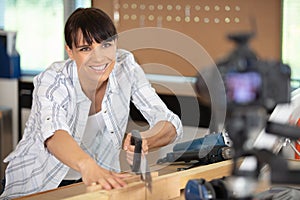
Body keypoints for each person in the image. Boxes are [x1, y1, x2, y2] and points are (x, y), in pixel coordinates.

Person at [0, 7, 182, 199]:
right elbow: (53, 134)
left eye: (106, 45)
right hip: (38, 183)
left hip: (95, 182)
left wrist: (146, 140)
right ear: (70, 51)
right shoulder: (53, 79)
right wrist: (87, 165)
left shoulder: (126, 66)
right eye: (85, 49)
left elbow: (169, 121)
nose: (99, 57)